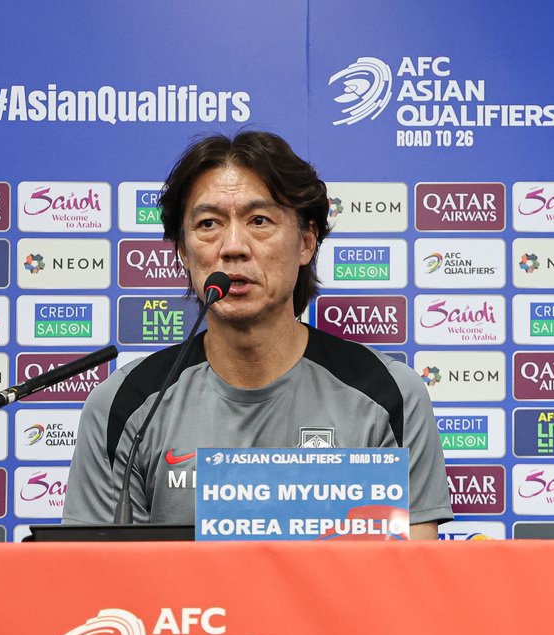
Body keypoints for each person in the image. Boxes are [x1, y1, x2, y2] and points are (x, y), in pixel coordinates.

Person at [64, 131, 453, 539]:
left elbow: (409, 583)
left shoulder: (388, 395)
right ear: (183, 252)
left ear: (306, 242)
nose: (233, 247)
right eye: (208, 223)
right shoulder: (125, 405)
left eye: (259, 221)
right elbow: (98, 582)